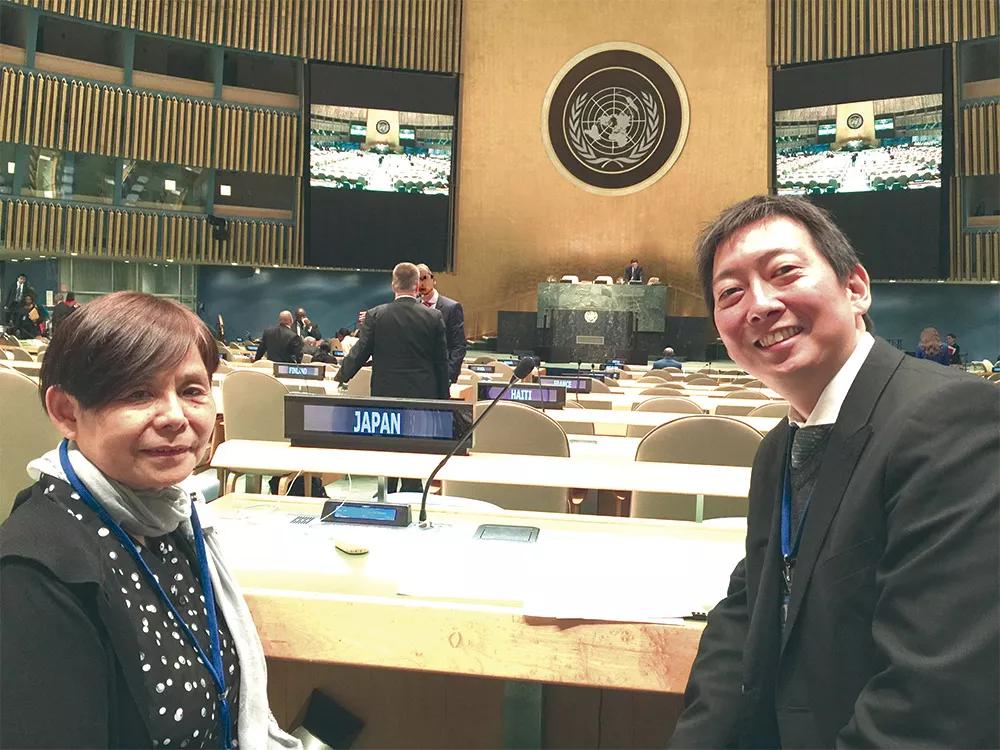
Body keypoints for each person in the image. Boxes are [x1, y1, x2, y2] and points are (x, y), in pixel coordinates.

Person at [669, 195, 998, 749]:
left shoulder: (953, 419)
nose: (760, 305)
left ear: (856, 288)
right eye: (730, 293)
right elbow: (747, 618)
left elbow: (934, 698)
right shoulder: (778, 447)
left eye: (784, 272)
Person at [0, 291, 300, 749]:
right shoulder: (35, 578)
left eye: (192, 391)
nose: (176, 416)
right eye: (138, 393)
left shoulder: (173, 516)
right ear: (66, 412)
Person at [336, 263, 449, 493]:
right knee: (414, 454)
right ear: (417, 285)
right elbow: (441, 363)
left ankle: (385, 494)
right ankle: (412, 493)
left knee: (387, 451)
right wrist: (443, 401)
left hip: (385, 395)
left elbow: (360, 352)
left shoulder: (376, 315)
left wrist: (341, 376)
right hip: (422, 398)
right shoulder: (434, 317)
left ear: (393, 285)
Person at [417, 263, 467, 383]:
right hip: (417, 375)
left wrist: (449, 375)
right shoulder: (411, 307)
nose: (421, 283)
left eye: (424, 278)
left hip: (442, 374)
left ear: (433, 280)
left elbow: (459, 346)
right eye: (417, 279)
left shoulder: (452, 307)